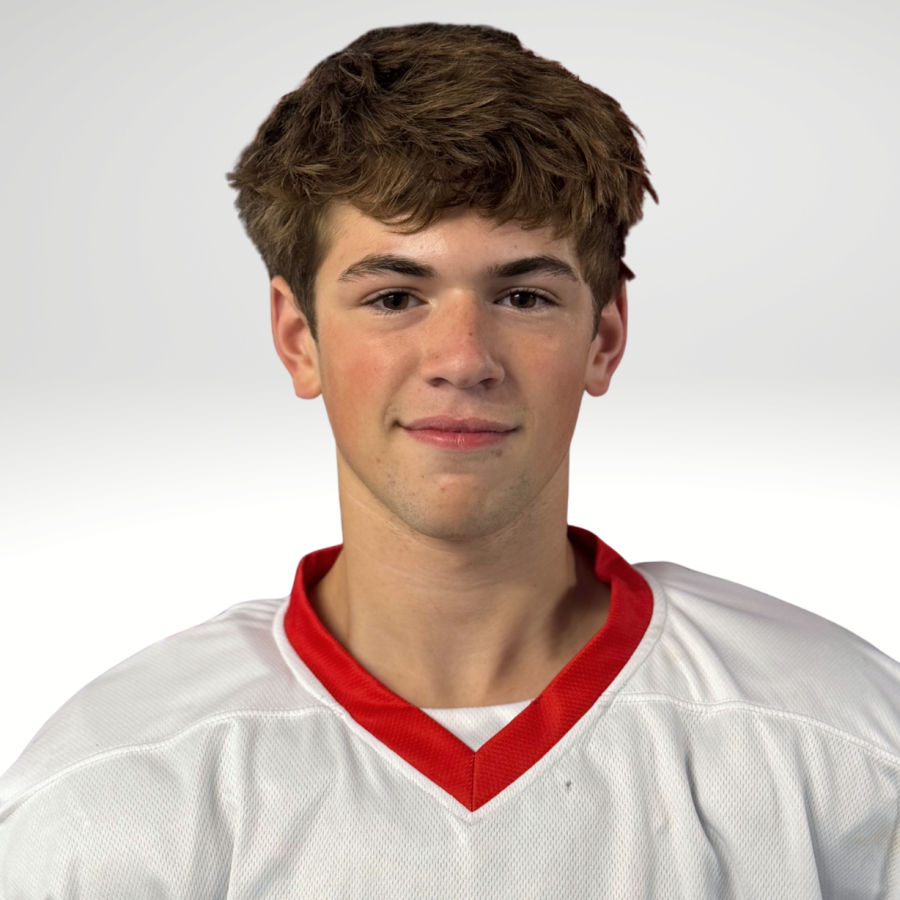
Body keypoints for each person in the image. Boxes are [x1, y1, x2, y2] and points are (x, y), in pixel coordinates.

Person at [1, 21, 899, 898]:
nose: (464, 359)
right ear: (298, 338)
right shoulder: (113, 794)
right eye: (395, 297)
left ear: (604, 337)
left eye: (524, 296)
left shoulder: (844, 748)